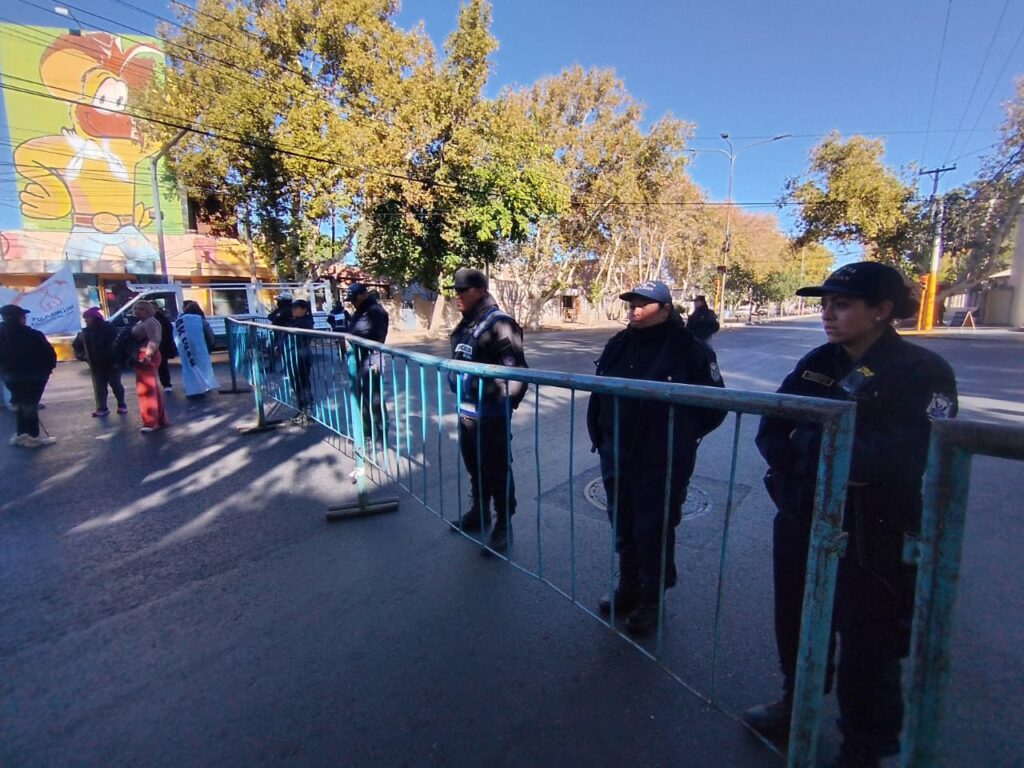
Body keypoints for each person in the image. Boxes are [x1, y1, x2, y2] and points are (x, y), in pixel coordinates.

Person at [745, 262, 958, 768]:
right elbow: (772, 428)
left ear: (882, 310)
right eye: (825, 305)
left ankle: (865, 745)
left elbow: (900, 456)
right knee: (797, 618)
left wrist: (812, 444)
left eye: (841, 305)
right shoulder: (820, 360)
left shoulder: (922, 370)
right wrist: (809, 461)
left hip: (874, 528)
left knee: (871, 639)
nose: (828, 314)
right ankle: (797, 702)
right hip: (804, 515)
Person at [586, 280, 726, 634]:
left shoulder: (689, 348)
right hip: (616, 451)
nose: (634, 309)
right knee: (622, 520)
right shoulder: (619, 341)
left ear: (666, 309)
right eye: (632, 302)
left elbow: (715, 405)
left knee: (654, 528)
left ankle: (653, 597)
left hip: (661, 458)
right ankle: (628, 586)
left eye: (644, 303)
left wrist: (681, 437)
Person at [448, 268, 529, 553]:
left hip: (491, 416)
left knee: (497, 471)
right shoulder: (466, 324)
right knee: (475, 468)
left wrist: (502, 406)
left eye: (463, 290)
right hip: (467, 414)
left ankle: (504, 523)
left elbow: (516, 375)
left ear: (481, 291)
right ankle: (479, 512)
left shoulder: (500, 324)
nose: (457, 295)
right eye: (455, 290)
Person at [0, 304, 57, 447]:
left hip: (10, 376)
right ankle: (32, 437)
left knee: (20, 404)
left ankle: (22, 434)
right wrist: (47, 370)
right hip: (33, 376)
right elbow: (49, 354)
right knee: (30, 405)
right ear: (20, 318)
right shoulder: (32, 335)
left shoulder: (2, 334)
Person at [346, 283, 390, 444]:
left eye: (355, 298)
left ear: (364, 294)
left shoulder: (375, 311)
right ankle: (366, 433)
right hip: (359, 358)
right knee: (362, 398)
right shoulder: (359, 311)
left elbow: (374, 336)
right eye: (351, 300)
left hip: (372, 358)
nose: (353, 302)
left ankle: (381, 433)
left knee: (373, 399)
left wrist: (352, 338)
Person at [74, 306, 127, 417]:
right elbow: (77, 346)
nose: (86, 320)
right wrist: (80, 344)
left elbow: (118, 345)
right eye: (85, 318)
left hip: (111, 362)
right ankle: (102, 407)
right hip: (96, 363)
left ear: (95, 318)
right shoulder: (86, 331)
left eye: (88, 318)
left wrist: (118, 360)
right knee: (100, 387)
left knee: (115, 384)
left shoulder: (108, 328)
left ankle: (121, 404)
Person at [130, 300, 169, 433]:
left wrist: (147, 355)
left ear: (147, 310)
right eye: (135, 308)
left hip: (146, 355)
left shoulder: (150, 322)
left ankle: (150, 421)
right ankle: (160, 419)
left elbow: (154, 339)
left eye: (140, 309)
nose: (136, 311)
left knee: (146, 390)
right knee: (152, 388)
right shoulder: (145, 322)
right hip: (145, 354)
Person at [173, 301, 219, 397]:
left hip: (186, 348)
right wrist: (211, 344)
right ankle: (204, 386)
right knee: (202, 366)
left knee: (188, 367)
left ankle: (192, 388)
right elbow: (209, 334)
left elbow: (176, 335)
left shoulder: (180, 321)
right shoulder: (201, 320)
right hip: (201, 348)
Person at [286, 298, 315, 417]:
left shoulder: (304, 322)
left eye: (296, 308)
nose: (293, 310)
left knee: (303, 383)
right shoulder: (296, 320)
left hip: (301, 354)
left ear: (304, 309)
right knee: (296, 383)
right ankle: (301, 408)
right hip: (295, 353)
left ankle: (307, 409)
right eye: (293, 308)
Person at [154, 305, 178, 393]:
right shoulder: (161, 318)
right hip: (161, 346)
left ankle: (166, 384)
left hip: (161, 346)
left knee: (161, 366)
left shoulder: (160, 319)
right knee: (162, 366)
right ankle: (166, 384)